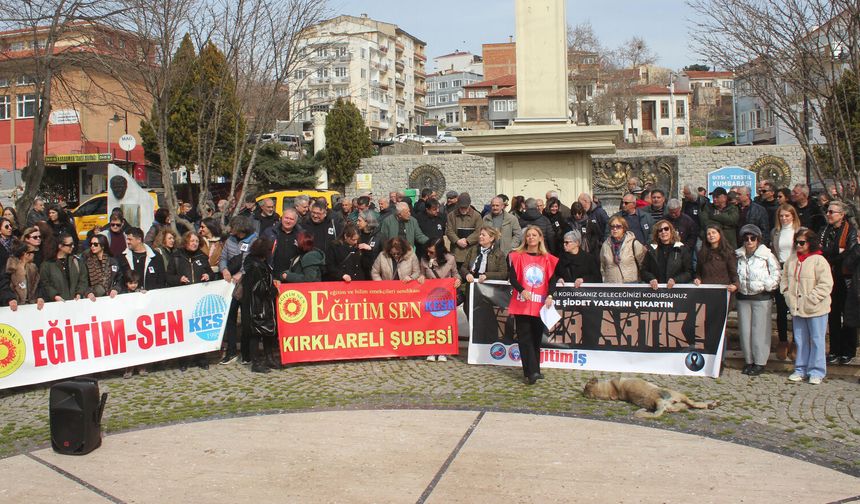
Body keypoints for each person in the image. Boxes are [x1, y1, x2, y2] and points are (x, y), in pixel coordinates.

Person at [781, 228, 833, 385]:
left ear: (810, 243)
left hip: (816, 308)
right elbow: (784, 279)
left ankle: (817, 371)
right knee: (800, 340)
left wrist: (811, 299)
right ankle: (800, 369)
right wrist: (786, 294)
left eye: (802, 242)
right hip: (797, 308)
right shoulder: (791, 260)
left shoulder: (819, 261)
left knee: (817, 340)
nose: (798, 245)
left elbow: (826, 284)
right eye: (796, 242)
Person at [508, 225, 559, 385]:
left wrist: (550, 294)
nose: (531, 238)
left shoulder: (547, 258)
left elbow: (552, 280)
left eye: (534, 235)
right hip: (522, 302)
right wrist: (521, 290)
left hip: (539, 303)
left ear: (540, 238)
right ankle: (531, 373)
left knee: (536, 337)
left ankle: (534, 369)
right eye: (528, 235)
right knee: (525, 337)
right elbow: (513, 278)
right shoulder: (517, 256)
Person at [735, 224, 781, 376]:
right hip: (743, 297)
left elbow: (776, 273)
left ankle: (760, 362)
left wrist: (767, 285)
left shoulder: (766, 255)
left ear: (758, 239)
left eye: (752, 238)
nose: (749, 241)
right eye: (746, 238)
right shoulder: (738, 255)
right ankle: (749, 360)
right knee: (745, 331)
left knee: (760, 331)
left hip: (761, 297)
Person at [820, 201, 857, 365]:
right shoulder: (824, 230)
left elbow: (850, 252)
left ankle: (848, 350)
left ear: (841, 215)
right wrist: (835, 251)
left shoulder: (850, 231)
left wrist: (831, 252)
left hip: (845, 278)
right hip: (828, 277)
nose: (828, 214)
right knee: (832, 315)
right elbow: (819, 249)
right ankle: (834, 350)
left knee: (847, 315)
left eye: (832, 212)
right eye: (827, 211)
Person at [219, 215, 258, 364]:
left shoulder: (254, 240)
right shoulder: (230, 241)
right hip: (231, 286)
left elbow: (251, 261)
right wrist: (224, 270)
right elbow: (223, 258)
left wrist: (241, 273)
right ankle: (231, 351)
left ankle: (246, 353)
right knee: (231, 318)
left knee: (247, 320)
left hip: (246, 285)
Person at [420, 238, 461, 362]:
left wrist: (458, 280)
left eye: (432, 252)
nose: (429, 254)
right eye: (428, 252)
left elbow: (455, 274)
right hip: (430, 296)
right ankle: (431, 350)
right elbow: (421, 273)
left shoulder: (450, 259)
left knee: (444, 323)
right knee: (430, 323)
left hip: (445, 296)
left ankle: (443, 350)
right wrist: (421, 277)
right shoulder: (424, 260)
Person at [242, 237, 278, 373]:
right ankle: (256, 363)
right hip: (257, 304)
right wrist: (273, 290)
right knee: (256, 334)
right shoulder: (257, 266)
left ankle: (269, 359)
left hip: (259, 303)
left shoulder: (256, 262)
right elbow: (259, 287)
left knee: (267, 332)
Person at [770, 204, 801, 360]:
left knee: (795, 307)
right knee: (781, 308)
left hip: (795, 269)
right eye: (781, 216)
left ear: (793, 216)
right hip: (780, 269)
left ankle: (796, 341)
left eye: (787, 216)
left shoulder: (799, 231)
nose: (784, 218)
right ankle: (783, 341)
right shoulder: (775, 232)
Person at [641, 220, 693, 290]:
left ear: (671, 231)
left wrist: (676, 280)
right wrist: (651, 279)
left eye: (666, 229)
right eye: (660, 230)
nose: (663, 232)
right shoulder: (651, 250)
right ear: (657, 234)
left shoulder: (681, 249)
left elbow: (689, 272)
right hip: (656, 292)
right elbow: (644, 271)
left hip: (677, 292)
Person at [40, 233, 89, 301]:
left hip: (75, 302)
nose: (73, 246)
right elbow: (45, 283)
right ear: (60, 246)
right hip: (56, 304)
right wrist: (54, 295)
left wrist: (79, 293)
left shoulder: (77, 261)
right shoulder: (47, 264)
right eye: (70, 245)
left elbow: (83, 280)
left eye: (73, 244)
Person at [694, 225, 739, 297]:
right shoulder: (702, 253)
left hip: (723, 293)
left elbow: (733, 273)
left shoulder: (728, 253)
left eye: (713, 232)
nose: (711, 235)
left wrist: (735, 285)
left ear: (720, 234)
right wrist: (698, 278)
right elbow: (698, 272)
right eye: (708, 234)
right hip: (706, 293)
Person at [600, 216, 646, 284]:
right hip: (611, 284)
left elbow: (643, 263)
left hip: (631, 284)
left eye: (618, 226)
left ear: (624, 228)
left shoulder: (634, 243)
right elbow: (603, 266)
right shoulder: (605, 245)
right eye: (612, 227)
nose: (615, 229)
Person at [445, 193, 483, 270]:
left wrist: (467, 240)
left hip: (472, 251)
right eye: (461, 208)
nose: (463, 210)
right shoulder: (451, 215)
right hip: (456, 251)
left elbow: (479, 231)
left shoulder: (477, 216)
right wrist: (457, 241)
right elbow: (449, 230)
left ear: (469, 205)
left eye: (465, 208)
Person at [5, 240, 44, 311]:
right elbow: (4, 286)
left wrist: (40, 297)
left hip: (32, 306)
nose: (34, 254)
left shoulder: (33, 268)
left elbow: (39, 285)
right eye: (32, 252)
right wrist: (11, 298)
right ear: (25, 254)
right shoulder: (10, 268)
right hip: (15, 308)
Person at [82, 234, 121, 299]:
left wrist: (116, 289)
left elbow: (119, 278)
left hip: (111, 297)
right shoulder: (86, 262)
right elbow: (84, 281)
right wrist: (88, 292)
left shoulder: (112, 261)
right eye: (91, 244)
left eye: (95, 244)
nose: (92, 246)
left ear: (103, 246)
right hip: (93, 298)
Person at [357, 210, 382, 278]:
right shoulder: (357, 234)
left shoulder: (379, 236)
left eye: (359, 221)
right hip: (359, 272)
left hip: (373, 272)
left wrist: (370, 249)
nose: (357, 223)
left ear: (367, 221)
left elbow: (383, 255)